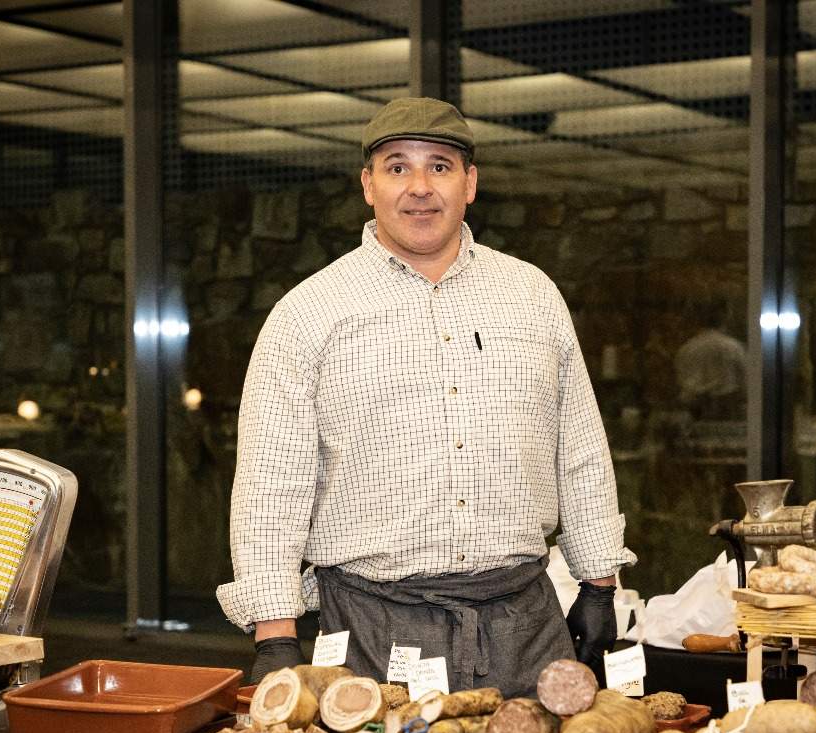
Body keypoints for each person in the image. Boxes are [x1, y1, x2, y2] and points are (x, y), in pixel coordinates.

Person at [217, 97, 636, 698]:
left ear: (470, 182)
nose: (419, 187)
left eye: (440, 166)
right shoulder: (308, 314)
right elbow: (269, 483)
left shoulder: (533, 296)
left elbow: (580, 449)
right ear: (368, 185)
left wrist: (599, 585)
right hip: (371, 626)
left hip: (525, 622)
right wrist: (275, 634)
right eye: (397, 167)